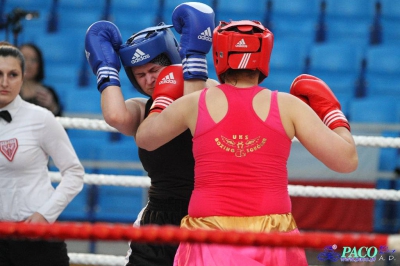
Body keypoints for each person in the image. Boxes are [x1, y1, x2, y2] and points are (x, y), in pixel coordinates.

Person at [135, 20, 359, 266]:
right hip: (273, 235)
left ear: (220, 56)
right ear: (264, 55)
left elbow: (146, 139)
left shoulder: (195, 103)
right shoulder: (287, 106)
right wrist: (332, 114)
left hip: (207, 234)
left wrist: (162, 99)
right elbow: (347, 162)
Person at [84, 2, 218, 265]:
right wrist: (106, 69)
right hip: (158, 215)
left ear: (174, 60)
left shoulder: (209, 91)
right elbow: (114, 116)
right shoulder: (140, 109)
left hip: (208, 214)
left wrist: (192, 59)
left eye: (155, 70)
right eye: (140, 75)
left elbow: (195, 102)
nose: (149, 80)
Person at [0, 42, 85, 266]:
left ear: (23, 77)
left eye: (13, 74)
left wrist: (45, 215)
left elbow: (74, 172)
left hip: (37, 239)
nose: (4, 82)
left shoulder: (41, 118)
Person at [18, 43, 63, 116]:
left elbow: (61, 125)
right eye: (24, 58)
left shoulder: (48, 92)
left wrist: (52, 107)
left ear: (39, 65)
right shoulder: (8, 90)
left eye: (33, 60)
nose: (28, 64)